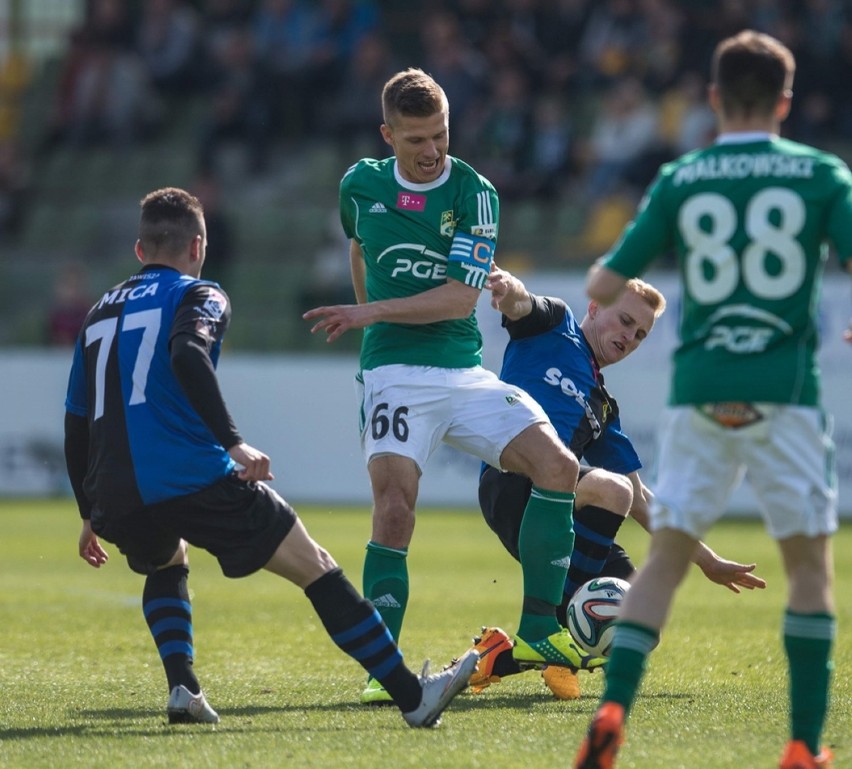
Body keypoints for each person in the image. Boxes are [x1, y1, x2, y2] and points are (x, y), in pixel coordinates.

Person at [63, 186, 478, 728]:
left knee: (167, 558)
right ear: (199, 245)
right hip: (191, 474)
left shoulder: (96, 314)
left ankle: (183, 691)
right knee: (316, 566)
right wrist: (233, 441)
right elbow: (187, 353)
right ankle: (411, 697)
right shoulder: (200, 294)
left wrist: (86, 510)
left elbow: (75, 418)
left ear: (140, 251)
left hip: (116, 492)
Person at [573, 30, 852, 769]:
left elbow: (604, 285)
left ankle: (611, 713)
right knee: (809, 569)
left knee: (662, 562)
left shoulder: (684, 177)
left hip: (702, 392)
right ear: (786, 102)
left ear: (714, 100)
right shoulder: (823, 175)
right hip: (785, 393)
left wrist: (610, 275)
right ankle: (800, 744)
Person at [303, 68, 602, 705]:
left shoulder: (474, 192)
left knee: (556, 465)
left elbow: (461, 297)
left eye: (439, 134)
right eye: (416, 139)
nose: (432, 149)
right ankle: (384, 668)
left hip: (463, 372)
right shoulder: (359, 185)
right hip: (394, 375)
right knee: (394, 508)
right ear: (388, 135)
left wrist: (370, 312)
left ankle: (539, 631)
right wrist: (371, 334)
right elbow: (360, 249)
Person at [468, 265, 766, 700]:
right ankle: (551, 640)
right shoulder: (554, 325)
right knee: (612, 490)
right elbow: (520, 303)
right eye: (625, 321)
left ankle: (499, 656)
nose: (630, 337)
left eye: (641, 334)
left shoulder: (601, 406)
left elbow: (643, 500)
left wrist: (707, 560)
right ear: (595, 306)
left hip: (554, 510)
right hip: (511, 484)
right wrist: (507, 288)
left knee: (639, 621)